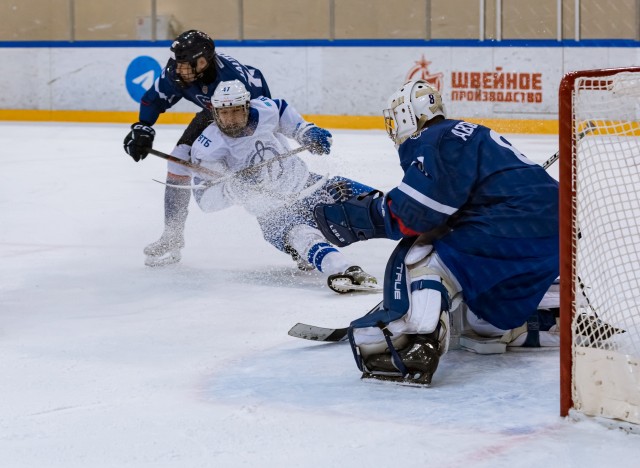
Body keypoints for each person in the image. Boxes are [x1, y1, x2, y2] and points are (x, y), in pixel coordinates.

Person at [313, 79, 560, 384]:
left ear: (406, 115)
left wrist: (372, 215)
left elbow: (418, 213)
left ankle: (416, 340)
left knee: (423, 256)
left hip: (509, 225)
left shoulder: (432, 138)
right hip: (557, 232)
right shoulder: (464, 131)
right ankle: (551, 315)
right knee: (479, 320)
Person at [145, 79, 379, 294]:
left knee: (373, 200)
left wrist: (307, 132)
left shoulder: (267, 110)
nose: (230, 119)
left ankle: (414, 225)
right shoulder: (209, 147)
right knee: (303, 236)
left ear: (247, 107)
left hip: (310, 185)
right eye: (224, 113)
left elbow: (287, 116)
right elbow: (206, 202)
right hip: (273, 214)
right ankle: (344, 270)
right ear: (215, 113)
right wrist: (235, 188)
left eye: (236, 111)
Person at [122, 29, 271, 263]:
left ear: (205, 61)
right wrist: (143, 126)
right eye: (178, 62)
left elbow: (259, 119)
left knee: (258, 178)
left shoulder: (232, 81)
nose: (180, 69)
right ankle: (172, 234)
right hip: (213, 113)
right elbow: (155, 98)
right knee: (178, 160)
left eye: (187, 63)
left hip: (247, 116)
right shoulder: (178, 71)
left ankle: (286, 229)